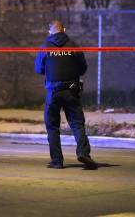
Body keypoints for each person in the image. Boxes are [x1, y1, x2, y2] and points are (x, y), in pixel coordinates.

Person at [34, 20, 97, 170]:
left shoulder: (45, 48)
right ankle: (84, 154)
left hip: (53, 91)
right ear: (64, 29)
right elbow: (83, 68)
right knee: (77, 124)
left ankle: (57, 161)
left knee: (52, 126)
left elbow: (38, 69)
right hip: (71, 90)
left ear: (50, 32)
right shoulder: (73, 46)